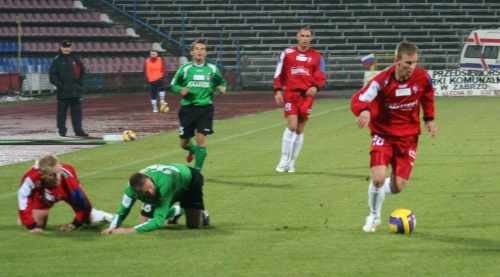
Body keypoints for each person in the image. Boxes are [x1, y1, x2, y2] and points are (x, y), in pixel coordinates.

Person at [350, 41, 438, 232]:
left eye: (415, 62)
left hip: (408, 138)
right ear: (396, 61)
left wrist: (429, 118)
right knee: (380, 177)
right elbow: (358, 99)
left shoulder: (422, 77)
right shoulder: (381, 81)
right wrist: (364, 110)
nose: (412, 67)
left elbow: (427, 96)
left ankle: (376, 189)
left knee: (398, 186)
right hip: (383, 135)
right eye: (408, 63)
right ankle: (374, 216)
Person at [273, 27, 326, 173]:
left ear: (311, 38)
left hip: (307, 96)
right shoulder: (287, 53)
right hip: (291, 93)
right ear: (297, 37)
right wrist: (278, 90)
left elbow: (321, 76)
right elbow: (278, 73)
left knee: (300, 129)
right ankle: (283, 159)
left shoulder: (317, 56)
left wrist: (315, 87)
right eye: (302, 36)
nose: (304, 38)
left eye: (307, 36)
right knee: (292, 126)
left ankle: (291, 163)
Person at [102, 164, 209, 234]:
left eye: (150, 187)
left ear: (148, 178)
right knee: (143, 224)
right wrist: (112, 228)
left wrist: (128, 230)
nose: (151, 192)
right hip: (170, 186)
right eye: (146, 192)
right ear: (137, 192)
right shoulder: (130, 191)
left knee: (193, 227)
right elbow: (122, 212)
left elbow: (158, 222)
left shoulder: (164, 184)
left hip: (189, 181)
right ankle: (178, 210)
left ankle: (198, 212)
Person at [18, 154, 113, 233]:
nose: (57, 177)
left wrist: (75, 224)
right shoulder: (31, 177)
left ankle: (99, 215)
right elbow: (23, 197)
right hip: (44, 194)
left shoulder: (69, 182)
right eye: (52, 175)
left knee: (87, 219)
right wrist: (31, 225)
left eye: (58, 172)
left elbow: (85, 205)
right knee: (38, 224)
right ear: (42, 175)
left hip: (66, 193)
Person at [170, 38, 227, 171]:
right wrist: (180, 89)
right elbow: (174, 84)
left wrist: (222, 88)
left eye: (202, 49)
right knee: (184, 143)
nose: (200, 52)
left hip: (206, 109)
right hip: (188, 108)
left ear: (206, 53)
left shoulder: (212, 69)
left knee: (201, 137)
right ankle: (192, 150)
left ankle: (197, 171)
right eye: (197, 49)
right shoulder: (185, 69)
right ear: (192, 52)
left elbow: (222, 81)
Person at [49, 40, 88, 137]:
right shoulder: (57, 60)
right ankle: (62, 131)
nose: (67, 49)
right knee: (61, 113)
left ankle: (78, 130)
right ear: (61, 48)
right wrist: (61, 86)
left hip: (76, 91)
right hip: (63, 92)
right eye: (65, 47)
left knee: (77, 113)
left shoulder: (75, 59)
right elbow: (52, 75)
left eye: (68, 47)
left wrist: (80, 84)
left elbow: (82, 71)